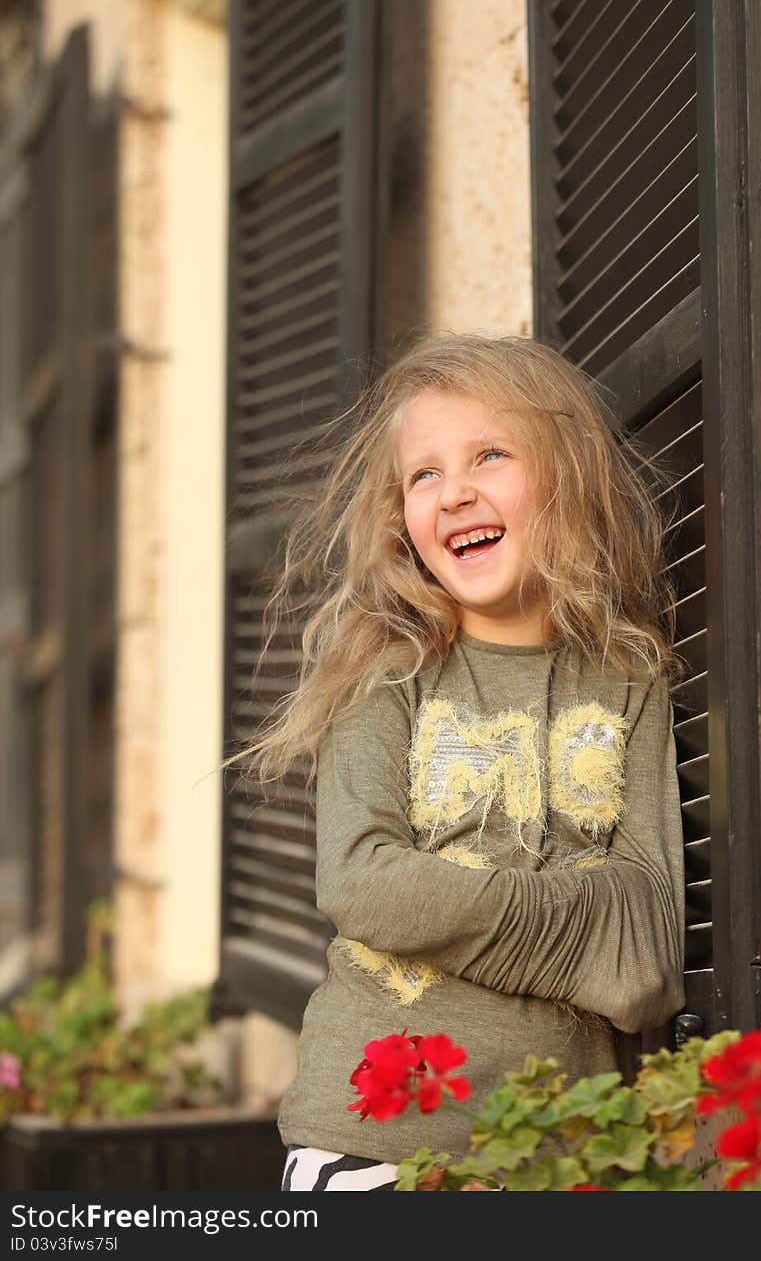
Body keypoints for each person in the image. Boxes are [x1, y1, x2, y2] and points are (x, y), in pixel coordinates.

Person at [229, 333, 687, 1191]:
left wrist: (448, 906)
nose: (455, 493)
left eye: (489, 455)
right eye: (423, 475)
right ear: (399, 515)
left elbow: (644, 957)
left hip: (561, 1146)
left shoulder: (631, 682)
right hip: (374, 1141)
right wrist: (578, 923)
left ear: (567, 475)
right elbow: (364, 883)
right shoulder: (384, 675)